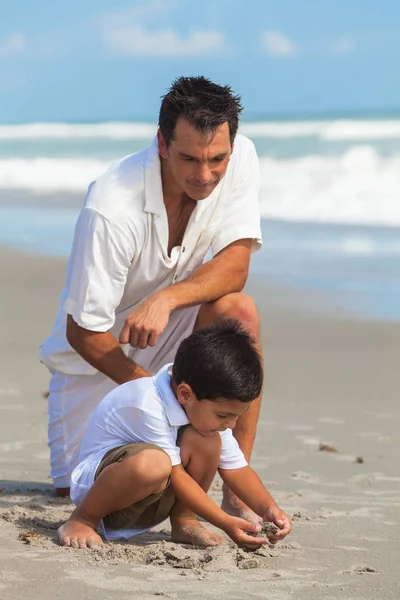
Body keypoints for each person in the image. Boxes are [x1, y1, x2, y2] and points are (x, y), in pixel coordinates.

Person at [40, 75, 263, 521]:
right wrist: (159, 396)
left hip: (167, 327)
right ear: (162, 144)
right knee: (78, 493)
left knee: (237, 310)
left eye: (217, 159)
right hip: (96, 360)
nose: (205, 175)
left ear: (231, 147)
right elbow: (82, 331)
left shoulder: (240, 160)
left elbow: (236, 264)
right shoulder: (111, 207)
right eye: (189, 159)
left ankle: (234, 484)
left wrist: (166, 300)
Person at [58, 320, 292, 549]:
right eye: (223, 415)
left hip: (148, 497)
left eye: (237, 416)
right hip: (101, 495)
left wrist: (268, 508)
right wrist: (224, 522)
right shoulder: (146, 402)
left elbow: (236, 468)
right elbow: (176, 475)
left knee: (208, 442)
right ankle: (82, 520)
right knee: (155, 463)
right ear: (185, 394)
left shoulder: (204, 412)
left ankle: (184, 521)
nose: (231, 424)